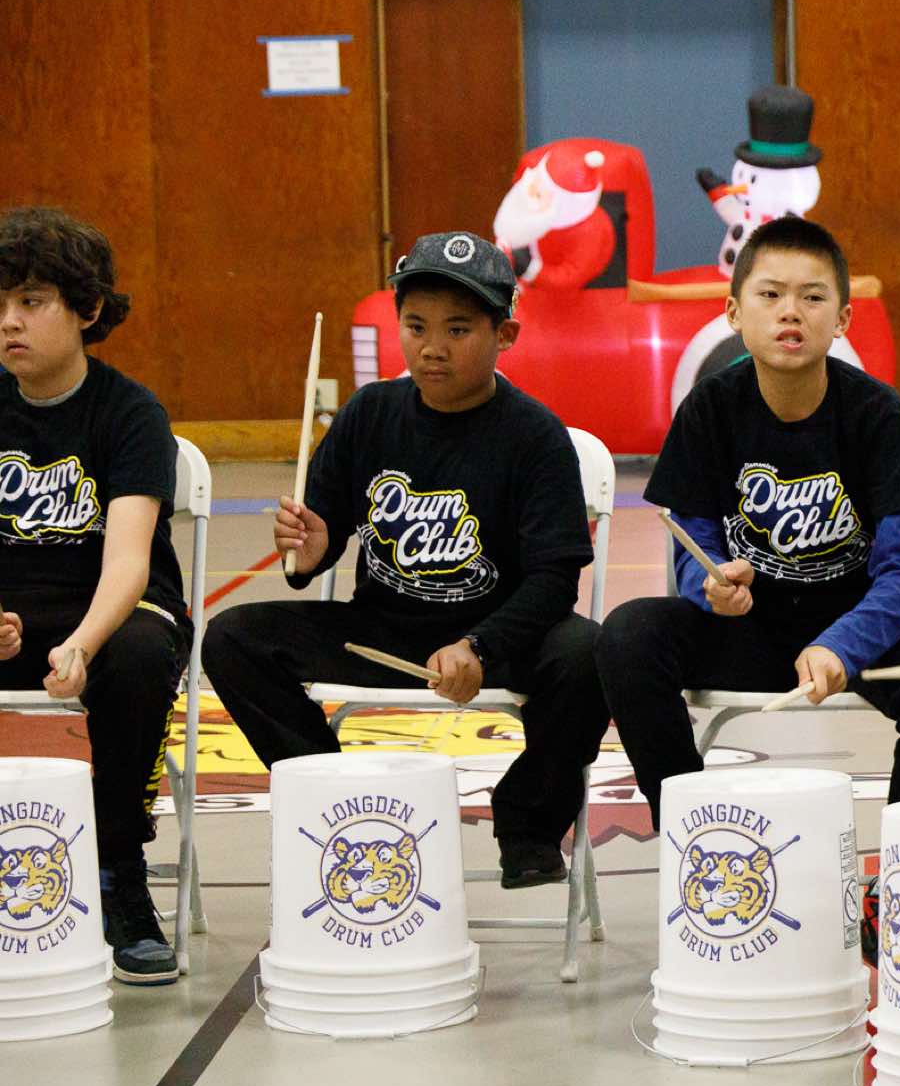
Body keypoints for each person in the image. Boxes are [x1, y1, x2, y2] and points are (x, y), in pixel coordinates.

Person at [202, 232, 610, 887]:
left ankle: (528, 823)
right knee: (231, 638)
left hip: (498, 638)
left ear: (505, 334)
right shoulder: (369, 414)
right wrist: (309, 552)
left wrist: (480, 644)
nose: (432, 346)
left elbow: (554, 579)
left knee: (589, 652)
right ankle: (333, 797)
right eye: (416, 326)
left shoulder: (535, 435)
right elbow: (321, 534)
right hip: (380, 633)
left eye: (458, 329)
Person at [595, 217, 900, 825]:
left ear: (843, 319)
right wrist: (711, 584)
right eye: (770, 294)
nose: (790, 312)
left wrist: (842, 644)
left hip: (858, 628)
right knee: (627, 635)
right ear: (734, 312)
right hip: (744, 630)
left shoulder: (878, 413)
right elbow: (692, 546)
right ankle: (691, 832)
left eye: (813, 297)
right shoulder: (709, 409)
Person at [0, 206, 191, 984]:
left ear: (86, 310)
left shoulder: (131, 413)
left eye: (31, 301)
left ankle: (119, 876)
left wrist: (80, 642)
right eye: (0, 303)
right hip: (13, 612)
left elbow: (128, 563)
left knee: (139, 653)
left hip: (112, 607)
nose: (9, 321)